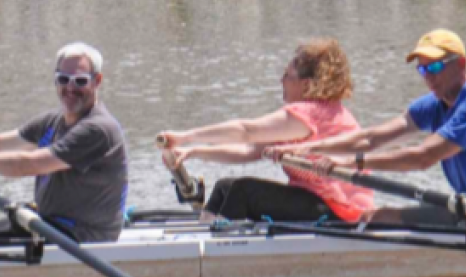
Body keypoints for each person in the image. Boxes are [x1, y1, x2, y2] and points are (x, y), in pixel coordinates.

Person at [286, 29, 466, 223]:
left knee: (380, 218)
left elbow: (423, 157)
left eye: (435, 66)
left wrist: (353, 163)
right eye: (422, 69)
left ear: (461, 64)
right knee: (378, 215)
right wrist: (312, 148)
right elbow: (371, 138)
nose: (428, 76)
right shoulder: (436, 104)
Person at [0, 43, 127, 243]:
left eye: (80, 81)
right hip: (50, 225)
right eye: (63, 79)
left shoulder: (98, 129)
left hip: (82, 237)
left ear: (97, 81)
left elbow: (29, 164)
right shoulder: (52, 121)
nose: (70, 88)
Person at [155, 38, 375, 224]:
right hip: (315, 202)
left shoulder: (312, 113)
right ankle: (204, 239)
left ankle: (220, 253)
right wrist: (193, 151)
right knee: (225, 187)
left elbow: (246, 131)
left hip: (340, 212)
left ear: (307, 85)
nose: (281, 81)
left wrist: (185, 137)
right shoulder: (305, 118)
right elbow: (249, 150)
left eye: (288, 76)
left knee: (243, 192)